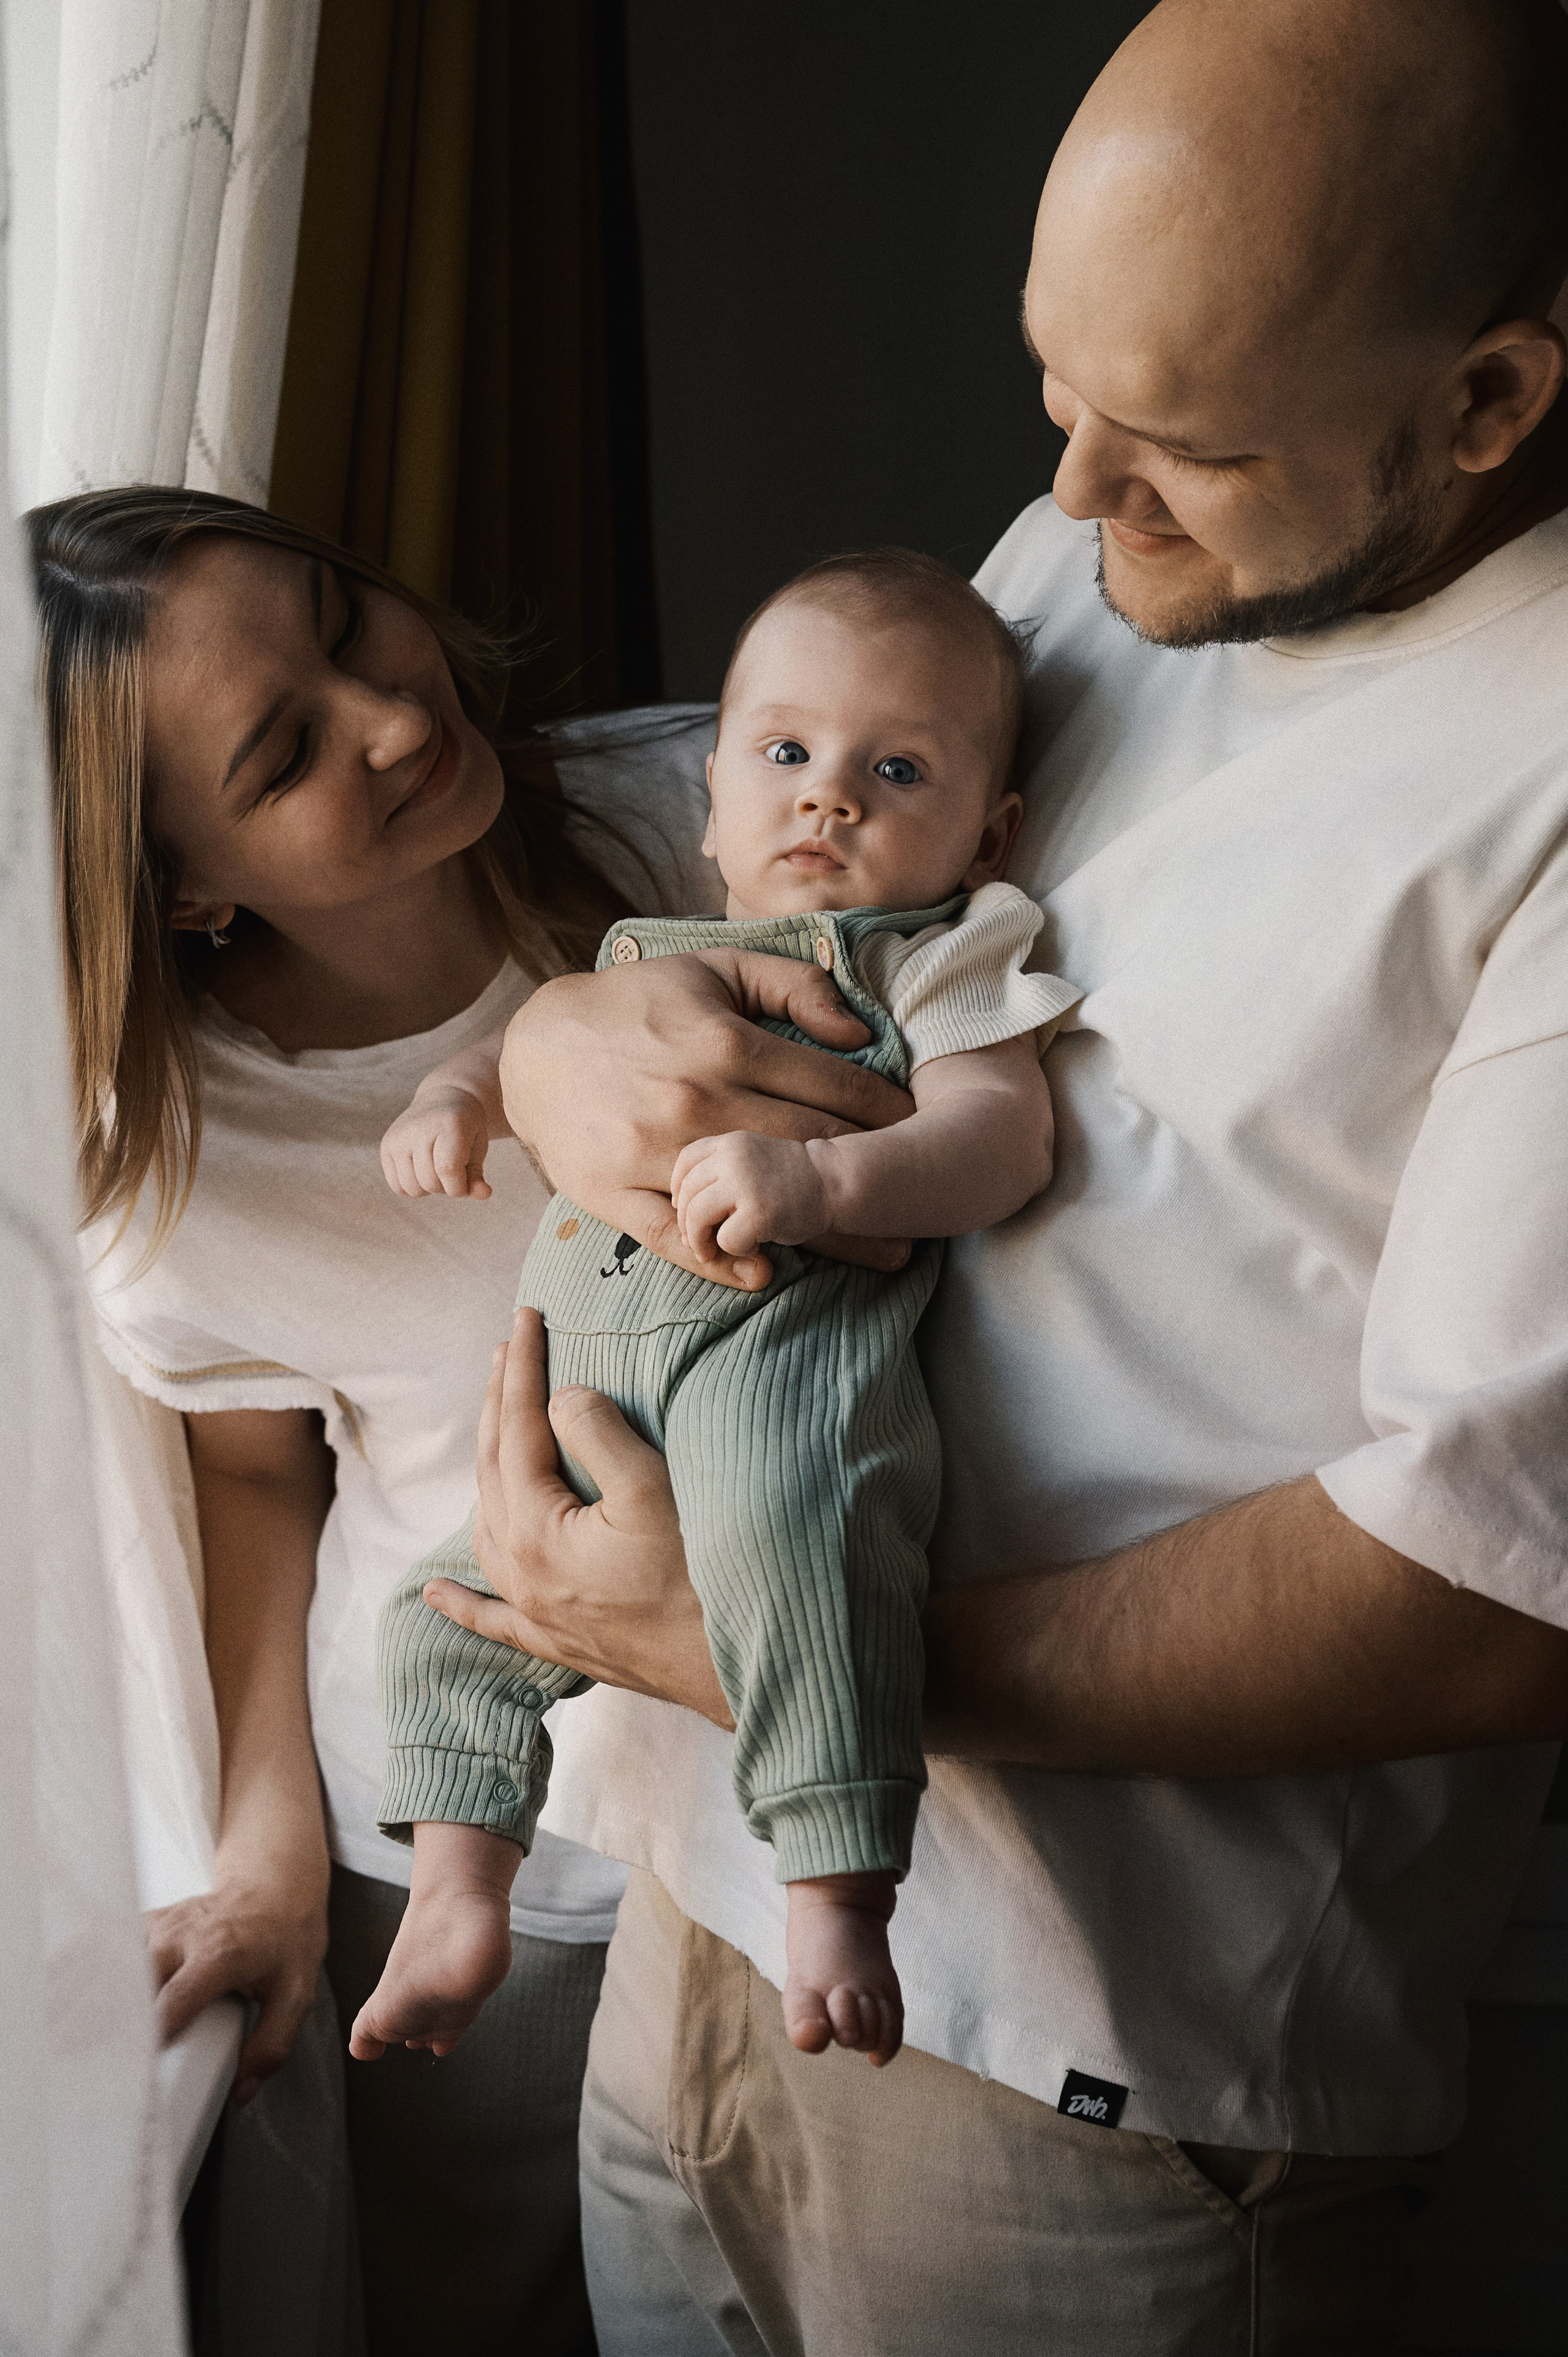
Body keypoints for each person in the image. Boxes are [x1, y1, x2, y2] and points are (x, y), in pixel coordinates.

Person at [413, 1, 1568, 2348]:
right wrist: (552, 1045)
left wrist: (789, 1646)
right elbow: (790, 888)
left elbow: (1494, 1579)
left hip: (1093, 2083)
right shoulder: (1100, 535)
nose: (1071, 486)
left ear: (1485, 403)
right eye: (1061, 394)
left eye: (1176, 447)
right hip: (706, 1905)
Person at [36, 488, 632, 2355]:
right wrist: (273, 1870)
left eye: (343, 620)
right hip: (485, 1847)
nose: (395, 713)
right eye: (284, 750)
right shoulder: (184, 1177)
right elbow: (258, 1501)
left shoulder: (709, 815)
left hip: (852, 1782)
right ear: (186, 884)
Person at [349, 551, 1076, 2074]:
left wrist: (824, 1189)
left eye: (897, 769)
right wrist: (446, 1097)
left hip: (777, 1364)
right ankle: (456, 1888)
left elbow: (999, 1138)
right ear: (709, 798)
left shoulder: (934, 956)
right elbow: (507, 1060)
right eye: (787, 754)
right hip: (574, 1385)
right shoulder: (637, 956)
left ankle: (834, 1892)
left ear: (989, 830)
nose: (829, 801)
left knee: (800, 1570)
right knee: (437, 1613)